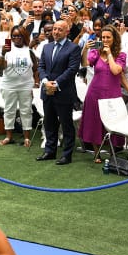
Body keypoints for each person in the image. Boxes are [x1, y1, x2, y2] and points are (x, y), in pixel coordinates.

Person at [79, 23, 127, 162]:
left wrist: (109, 54)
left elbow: (116, 71)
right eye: (103, 37)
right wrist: (85, 49)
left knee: (113, 122)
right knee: (94, 121)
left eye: (108, 37)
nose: (105, 40)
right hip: (94, 92)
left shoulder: (121, 55)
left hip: (112, 93)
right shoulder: (95, 52)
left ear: (114, 39)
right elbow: (85, 64)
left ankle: (112, 152)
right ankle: (96, 152)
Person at [37, 19, 82, 164]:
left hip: (63, 92)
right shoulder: (47, 47)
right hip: (47, 91)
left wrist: (56, 84)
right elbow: (41, 66)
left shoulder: (73, 48)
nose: (56, 32)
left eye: (60, 30)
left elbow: (72, 69)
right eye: (54, 29)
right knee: (49, 123)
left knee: (66, 124)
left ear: (67, 31)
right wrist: (45, 82)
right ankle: (50, 151)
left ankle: (66, 155)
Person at [0, 26, 38, 147]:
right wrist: (3, 54)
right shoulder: (7, 49)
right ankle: (8, 136)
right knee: (9, 110)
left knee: (26, 111)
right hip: (9, 85)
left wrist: (36, 83)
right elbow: (0, 67)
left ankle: (27, 138)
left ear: (24, 36)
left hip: (26, 86)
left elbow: (36, 69)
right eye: (14, 36)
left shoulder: (29, 50)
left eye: (19, 36)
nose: (16, 38)